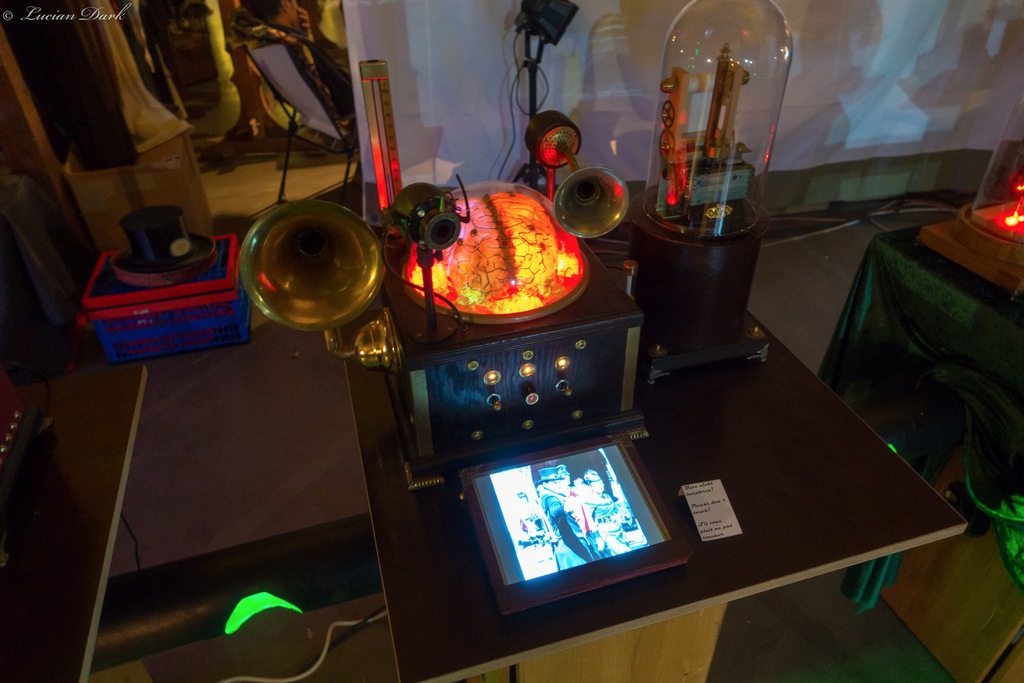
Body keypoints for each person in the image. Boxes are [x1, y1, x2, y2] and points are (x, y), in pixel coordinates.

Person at [242, 0, 356, 127]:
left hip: (317, 119)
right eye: (296, 3)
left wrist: (301, 33)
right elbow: (345, 90)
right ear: (285, 5)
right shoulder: (298, 46)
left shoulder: (268, 44)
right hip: (350, 111)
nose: (298, 8)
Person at [535, 465, 600, 569]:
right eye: (554, 482)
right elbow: (555, 510)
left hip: (567, 544)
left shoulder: (549, 496)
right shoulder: (551, 498)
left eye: (558, 481)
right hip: (571, 546)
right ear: (545, 484)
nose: (557, 484)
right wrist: (563, 509)